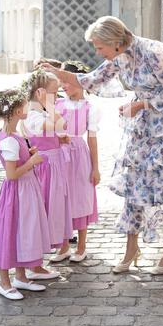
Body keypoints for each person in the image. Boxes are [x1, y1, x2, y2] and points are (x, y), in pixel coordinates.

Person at [43, 16, 163, 275]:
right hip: (143, 129)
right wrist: (57, 73)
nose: (98, 52)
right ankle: (131, 248)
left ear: (116, 42)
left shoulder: (154, 52)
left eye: (99, 47)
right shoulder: (119, 57)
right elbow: (92, 80)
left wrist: (141, 104)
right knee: (134, 187)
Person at [0, 89, 51, 299]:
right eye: (25, 105)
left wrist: (29, 155)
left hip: (26, 190)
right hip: (16, 193)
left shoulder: (16, 135)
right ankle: (4, 283)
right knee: (10, 232)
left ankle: (21, 277)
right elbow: (11, 175)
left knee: (24, 232)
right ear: (16, 111)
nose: (28, 107)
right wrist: (32, 162)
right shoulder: (8, 140)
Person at [21, 69, 73, 276]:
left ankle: (61, 245)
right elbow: (61, 124)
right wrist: (50, 106)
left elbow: (56, 129)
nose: (57, 97)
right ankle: (34, 262)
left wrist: (58, 139)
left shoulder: (40, 113)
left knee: (56, 207)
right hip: (44, 169)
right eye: (54, 92)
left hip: (54, 167)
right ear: (41, 92)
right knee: (42, 211)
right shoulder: (33, 115)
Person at [51, 60, 100, 263]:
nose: (63, 86)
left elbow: (92, 138)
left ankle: (81, 246)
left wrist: (95, 168)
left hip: (79, 156)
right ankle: (63, 246)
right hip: (60, 155)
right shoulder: (56, 104)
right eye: (61, 82)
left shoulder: (90, 108)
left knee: (80, 197)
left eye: (67, 81)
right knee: (62, 198)